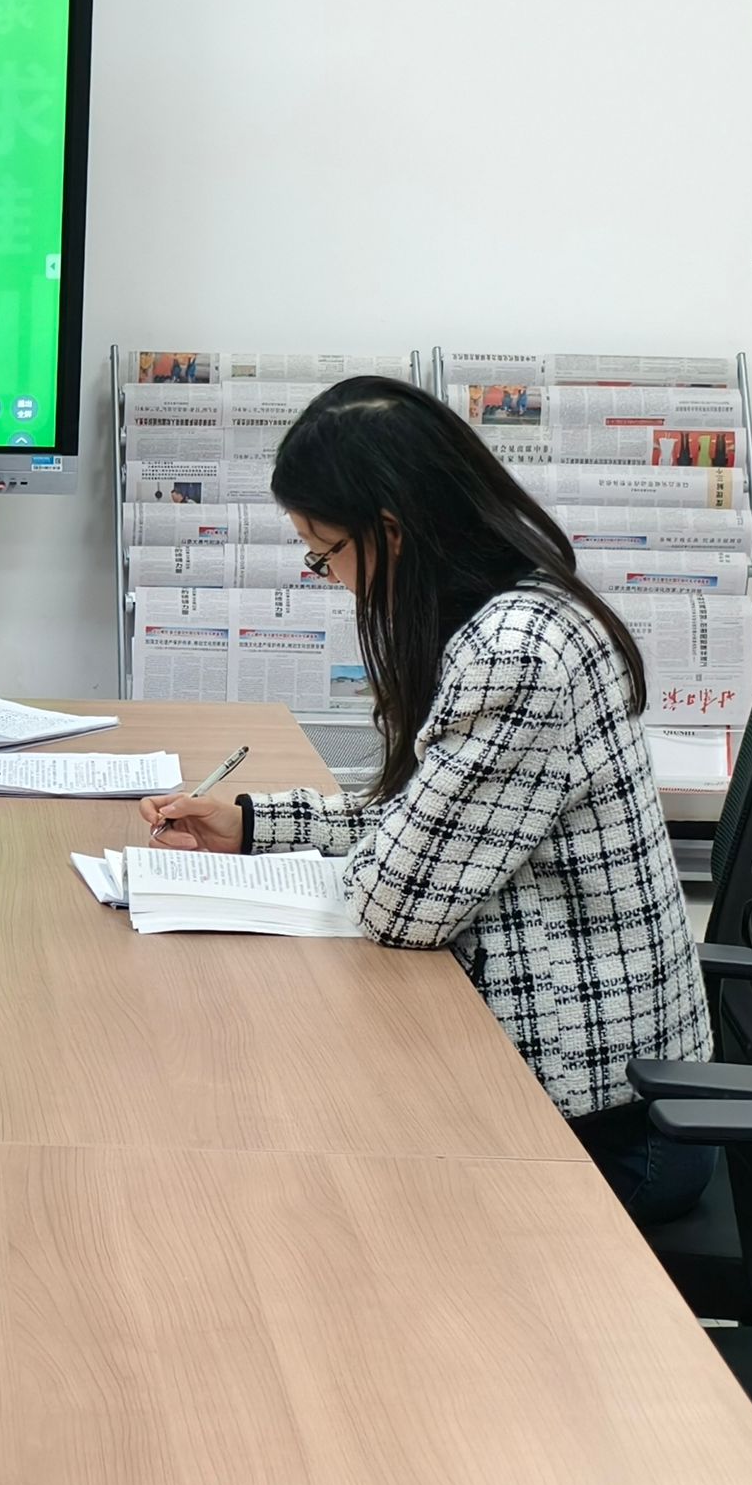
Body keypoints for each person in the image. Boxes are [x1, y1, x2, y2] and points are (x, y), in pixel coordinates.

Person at [139, 377, 714, 1221]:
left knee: (277, 1174)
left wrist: (366, 859)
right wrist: (253, 824)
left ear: (392, 533)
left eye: (324, 551)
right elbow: (423, 815)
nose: (328, 576)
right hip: (563, 1079)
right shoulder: (519, 607)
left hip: (604, 1131)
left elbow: (399, 905)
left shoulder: (514, 654)